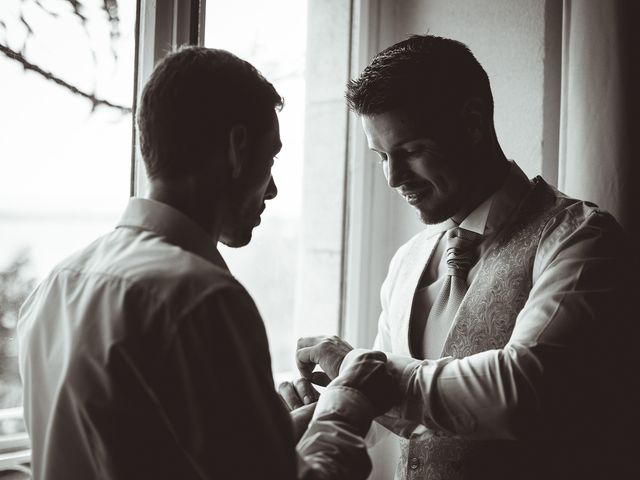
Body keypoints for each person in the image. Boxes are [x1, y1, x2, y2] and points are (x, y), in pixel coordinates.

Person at [17, 46, 397, 480]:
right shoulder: (201, 298)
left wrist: (292, 426)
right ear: (237, 149)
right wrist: (348, 400)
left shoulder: (55, 286)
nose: (271, 191)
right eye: (270, 159)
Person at [280, 35, 636, 479]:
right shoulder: (407, 262)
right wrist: (323, 405)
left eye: (411, 151)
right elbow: (394, 407)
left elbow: (525, 388)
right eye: (381, 157)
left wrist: (366, 371)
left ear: (472, 123)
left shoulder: (581, 239)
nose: (393, 178)